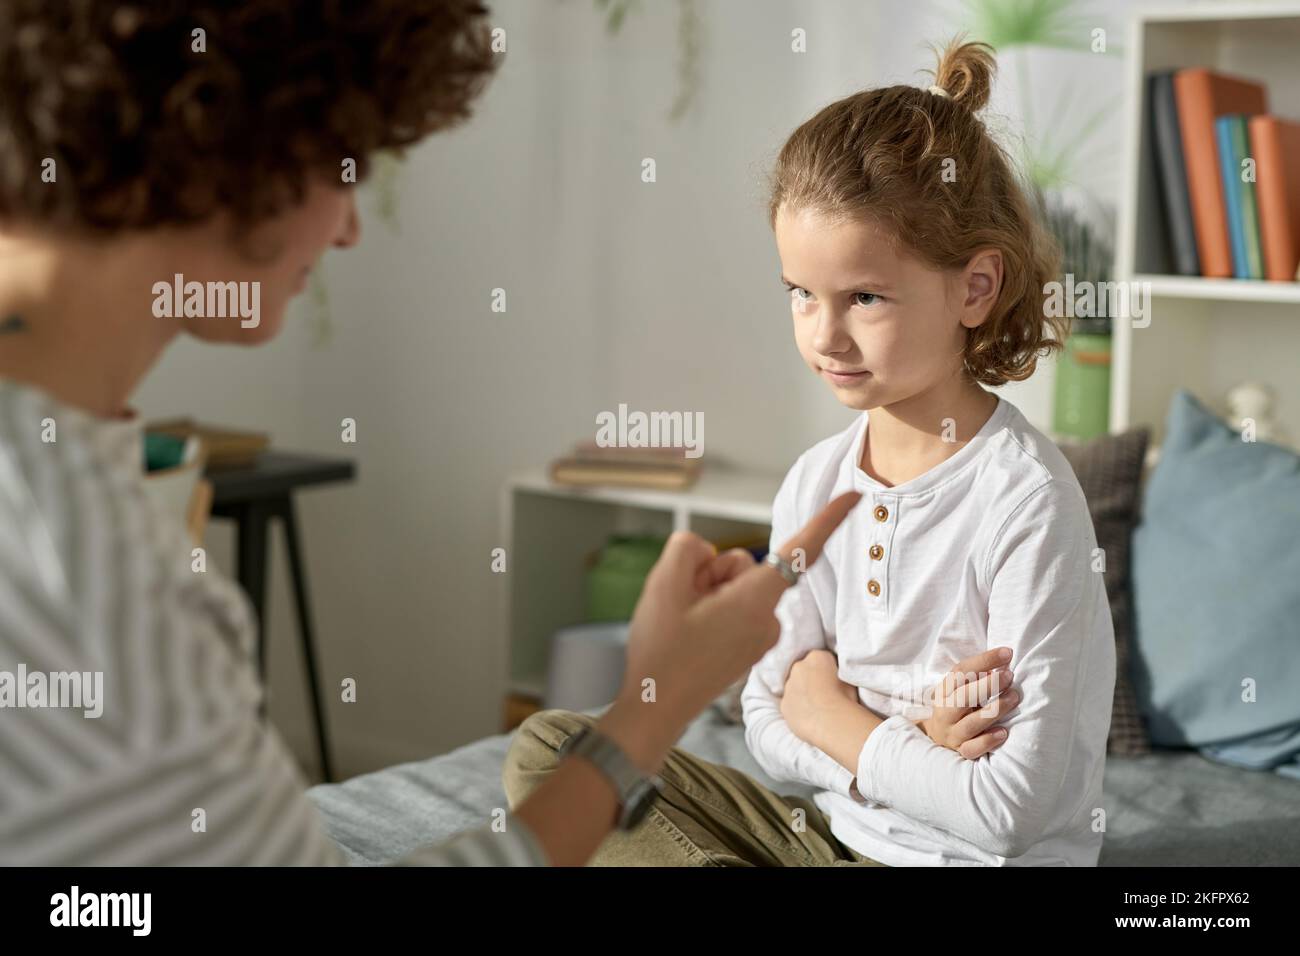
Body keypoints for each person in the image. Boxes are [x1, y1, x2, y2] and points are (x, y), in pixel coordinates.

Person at [0, 0, 866, 867]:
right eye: (346, 170)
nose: (347, 228)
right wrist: (659, 696)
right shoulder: (88, 557)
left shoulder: (74, 502)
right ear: (231, 144)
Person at [504, 39, 1117, 866]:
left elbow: (1008, 810)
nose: (825, 336)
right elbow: (763, 721)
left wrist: (833, 716)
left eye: (864, 297)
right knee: (552, 747)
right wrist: (903, 745)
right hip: (834, 839)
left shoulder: (1027, 501)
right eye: (801, 295)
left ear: (975, 288)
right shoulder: (815, 483)